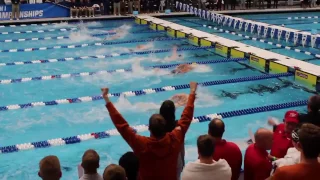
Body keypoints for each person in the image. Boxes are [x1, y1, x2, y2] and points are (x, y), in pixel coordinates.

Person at [102, 81, 197, 180]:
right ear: (164, 127)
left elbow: (122, 126)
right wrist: (192, 92)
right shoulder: (175, 138)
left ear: (149, 128)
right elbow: (186, 117)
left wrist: (107, 100)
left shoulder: (142, 144)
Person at [159, 100, 185, 179]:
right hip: (176, 160)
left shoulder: (157, 126)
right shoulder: (178, 127)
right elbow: (181, 146)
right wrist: (183, 160)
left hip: (161, 159)